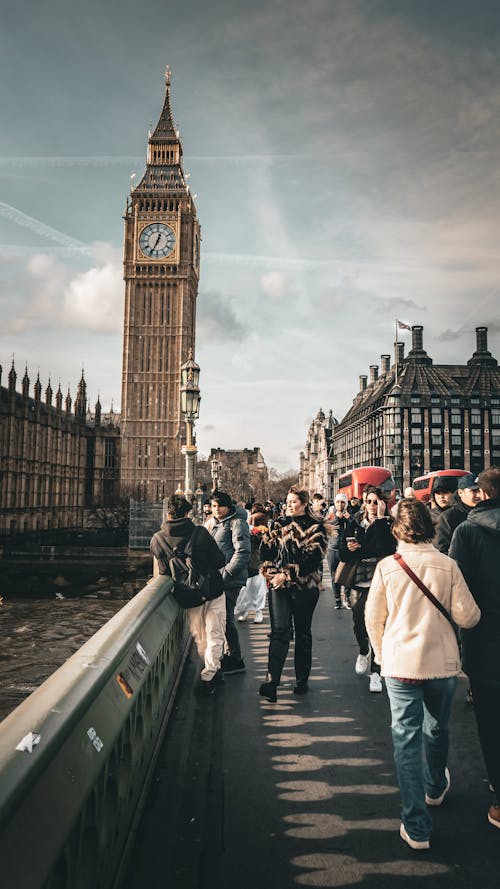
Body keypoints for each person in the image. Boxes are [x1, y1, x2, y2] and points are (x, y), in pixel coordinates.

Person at [366, 498, 480, 849]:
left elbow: (373, 618)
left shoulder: (388, 566)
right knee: (436, 727)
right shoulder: (447, 565)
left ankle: (416, 825)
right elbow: (469, 617)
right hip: (440, 664)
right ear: (430, 527)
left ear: (397, 529)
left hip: (400, 664)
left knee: (405, 738)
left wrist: (384, 659)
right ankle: (434, 786)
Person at [449, 466, 500, 830]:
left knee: (490, 718)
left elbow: (459, 592)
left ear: (480, 495)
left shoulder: (466, 530)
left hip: (485, 639)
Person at [150, 495, 227, 696]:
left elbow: (165, 573)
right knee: (215, 634)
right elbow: (219, 561)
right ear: (188, 513)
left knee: (201, 636)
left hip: (188, 595)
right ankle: (209, 675)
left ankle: (211, 668)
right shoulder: (200, 532)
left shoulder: (157, 539)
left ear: (168, 514)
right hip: (212, 591)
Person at [258, 485, 327, 702]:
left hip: (305, 587)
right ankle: (271, 681)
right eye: (287, 502)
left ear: (304, 504)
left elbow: (311, 559)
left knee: (303, 632)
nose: (288, 506)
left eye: (293, 502)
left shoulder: (316, 528)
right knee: (279, 631)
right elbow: (265, 552)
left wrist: (286, 575)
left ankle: (301, 679)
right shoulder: (278, 524)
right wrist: (271, 572)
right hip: (279, 586)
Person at [339, 485, 396, 693]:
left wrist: (380, 520)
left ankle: (376, 673)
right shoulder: (354, 523)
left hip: (380, 581)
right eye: (369, 501)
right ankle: (363, 651)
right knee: (359, 622)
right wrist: (350, 549)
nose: (372, 505)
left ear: (383, 503)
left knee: (379, 626)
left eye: (376, 501)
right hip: (359, 580)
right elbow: (343, 554)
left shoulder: (389, 523)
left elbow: (386, 549)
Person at [206, 491, 251, 675]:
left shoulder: (236, 523)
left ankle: (236, 658)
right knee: (224, 618)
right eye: (214, 506)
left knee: (226, 619)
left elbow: (242, 553)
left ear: (228, 506)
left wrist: (226, 573)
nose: (216, 510)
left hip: (229, 580)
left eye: (220, 506)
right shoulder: (215, 523)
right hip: (218, 579)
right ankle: (230, 655)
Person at [235, 502, 270, 623]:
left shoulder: (259, 531)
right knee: (245, 591)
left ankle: (258, 612)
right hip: (245, 564)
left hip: (256, 563)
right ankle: (244, 611)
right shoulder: (240, 528)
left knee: (257, 590)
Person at [434, 473, 481, 554]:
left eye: (480, 490)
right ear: (460, 493)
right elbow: (442, 551)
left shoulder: (487, 512)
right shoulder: (447, 518)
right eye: (473, 491)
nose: (478, 495)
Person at [326, 494, 350, 609]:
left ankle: (347, 597)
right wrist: (336, 518)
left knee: (347, 574)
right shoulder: (331, 514)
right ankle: (337, 599)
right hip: (333, 549)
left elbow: (355, 526)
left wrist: (348, 518)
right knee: (334, 576)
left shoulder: (349, 514)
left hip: (345, 549)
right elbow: (326, 525)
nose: (340, 504)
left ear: (346, 503)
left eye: (342, 502)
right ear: (335, 503)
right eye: (338, 502)